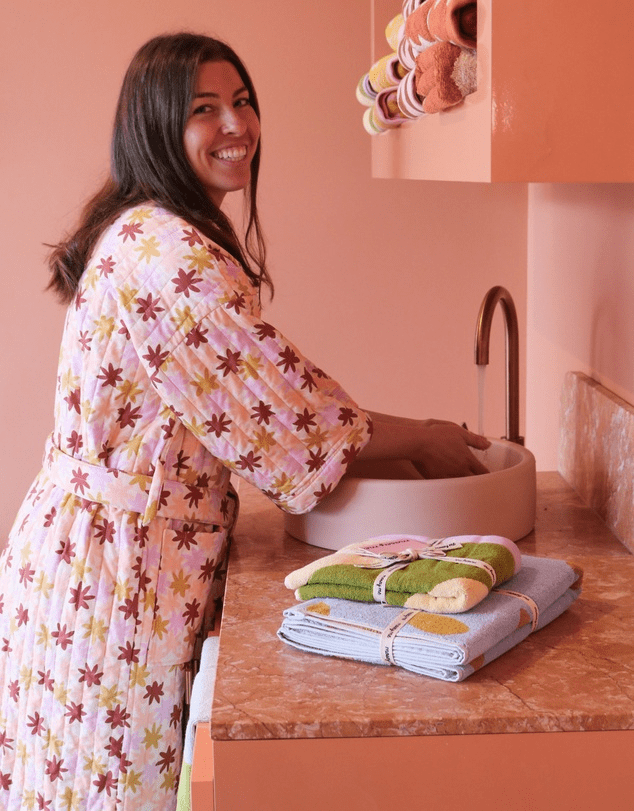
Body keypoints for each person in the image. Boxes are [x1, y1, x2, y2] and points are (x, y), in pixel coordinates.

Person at [0, 32, 489, 811]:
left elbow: (269, 399)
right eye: (204, 109)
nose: (237, 124)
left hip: (92, 558)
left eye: (243, 100)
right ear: (157, 126)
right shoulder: (170, 255)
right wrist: (424, 436)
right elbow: (285, 414)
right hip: (119, 579)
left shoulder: (146, 227)